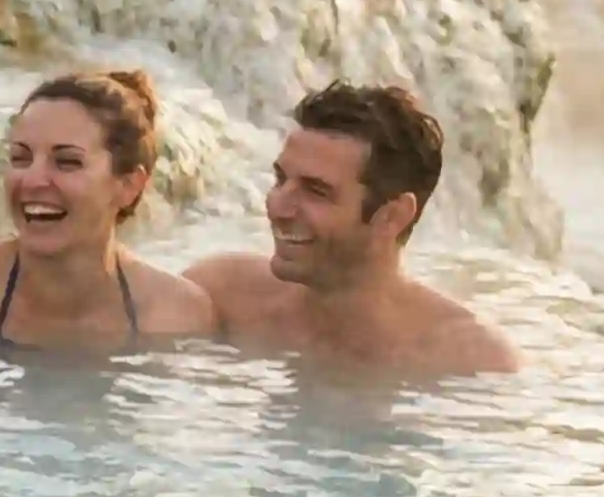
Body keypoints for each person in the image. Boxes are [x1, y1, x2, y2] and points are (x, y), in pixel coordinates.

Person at [185, 81, 520, 377]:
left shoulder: (470, 363)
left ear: (392, 217)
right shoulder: (220, 297)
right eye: (281, 180)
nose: (277, 207)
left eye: (316, 191)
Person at [0, 69, 219, 354]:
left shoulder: (178, 315)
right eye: (20, 158)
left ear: (129, 185)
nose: (32, 180)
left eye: (67, 162)